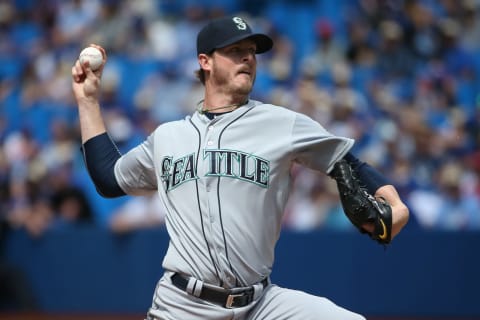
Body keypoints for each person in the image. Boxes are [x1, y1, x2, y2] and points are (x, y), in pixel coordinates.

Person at [71, 16, 409, 320]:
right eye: (235, 50)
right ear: (205, 61)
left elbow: (347, 163)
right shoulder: (167, 137)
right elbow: (108, 178)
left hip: (262, 305)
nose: (248, 56)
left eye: (251, 50)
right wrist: (87, 101)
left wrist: (393, 202)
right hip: (183, 306)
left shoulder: (281, 123)